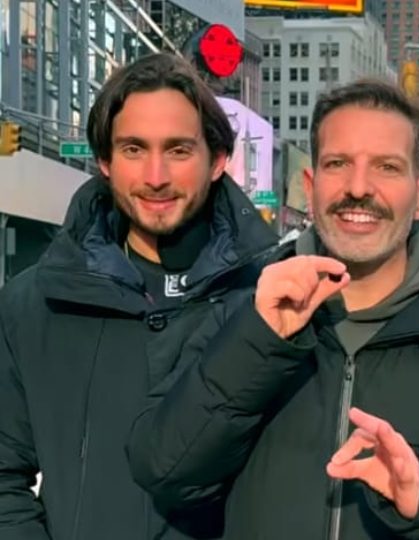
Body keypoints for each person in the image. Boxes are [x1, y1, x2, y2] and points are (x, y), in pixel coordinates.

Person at [126, 80, 419, 539]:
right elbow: (163, 472)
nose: (359, 188)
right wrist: (257, 346)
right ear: (310, 185)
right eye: (338, 164)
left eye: (386, 167)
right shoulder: (244, 312)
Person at [0, 53, 280, 539]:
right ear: (105, 162)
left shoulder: (270, 307)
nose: (155, 176)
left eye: (177, 150)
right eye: (134, 149)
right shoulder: (33, 305)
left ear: (217, 161)